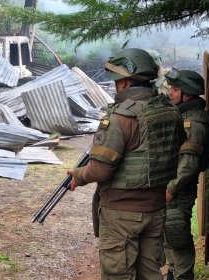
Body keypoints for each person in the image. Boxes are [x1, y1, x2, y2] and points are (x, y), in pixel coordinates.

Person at [66, 48, 185, 279]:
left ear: (126, 82)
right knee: (150, 273)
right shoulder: (170, 110)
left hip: (122, 215)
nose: (115, 85)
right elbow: (176, 147)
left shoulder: (120, 118)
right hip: (156, 209)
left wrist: (78, 176)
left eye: (117, 80)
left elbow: (100, 169)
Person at [164, 68, 209, 280]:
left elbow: (188, 164)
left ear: (188, 94)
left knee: (177, 236)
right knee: (169, 236)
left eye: (175, 89)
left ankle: (182, 276)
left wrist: (171, 188)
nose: (170, 93)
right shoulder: (182, 115)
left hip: (178, 189)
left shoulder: (192, 123)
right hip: (172, 187)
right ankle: (173, 274)